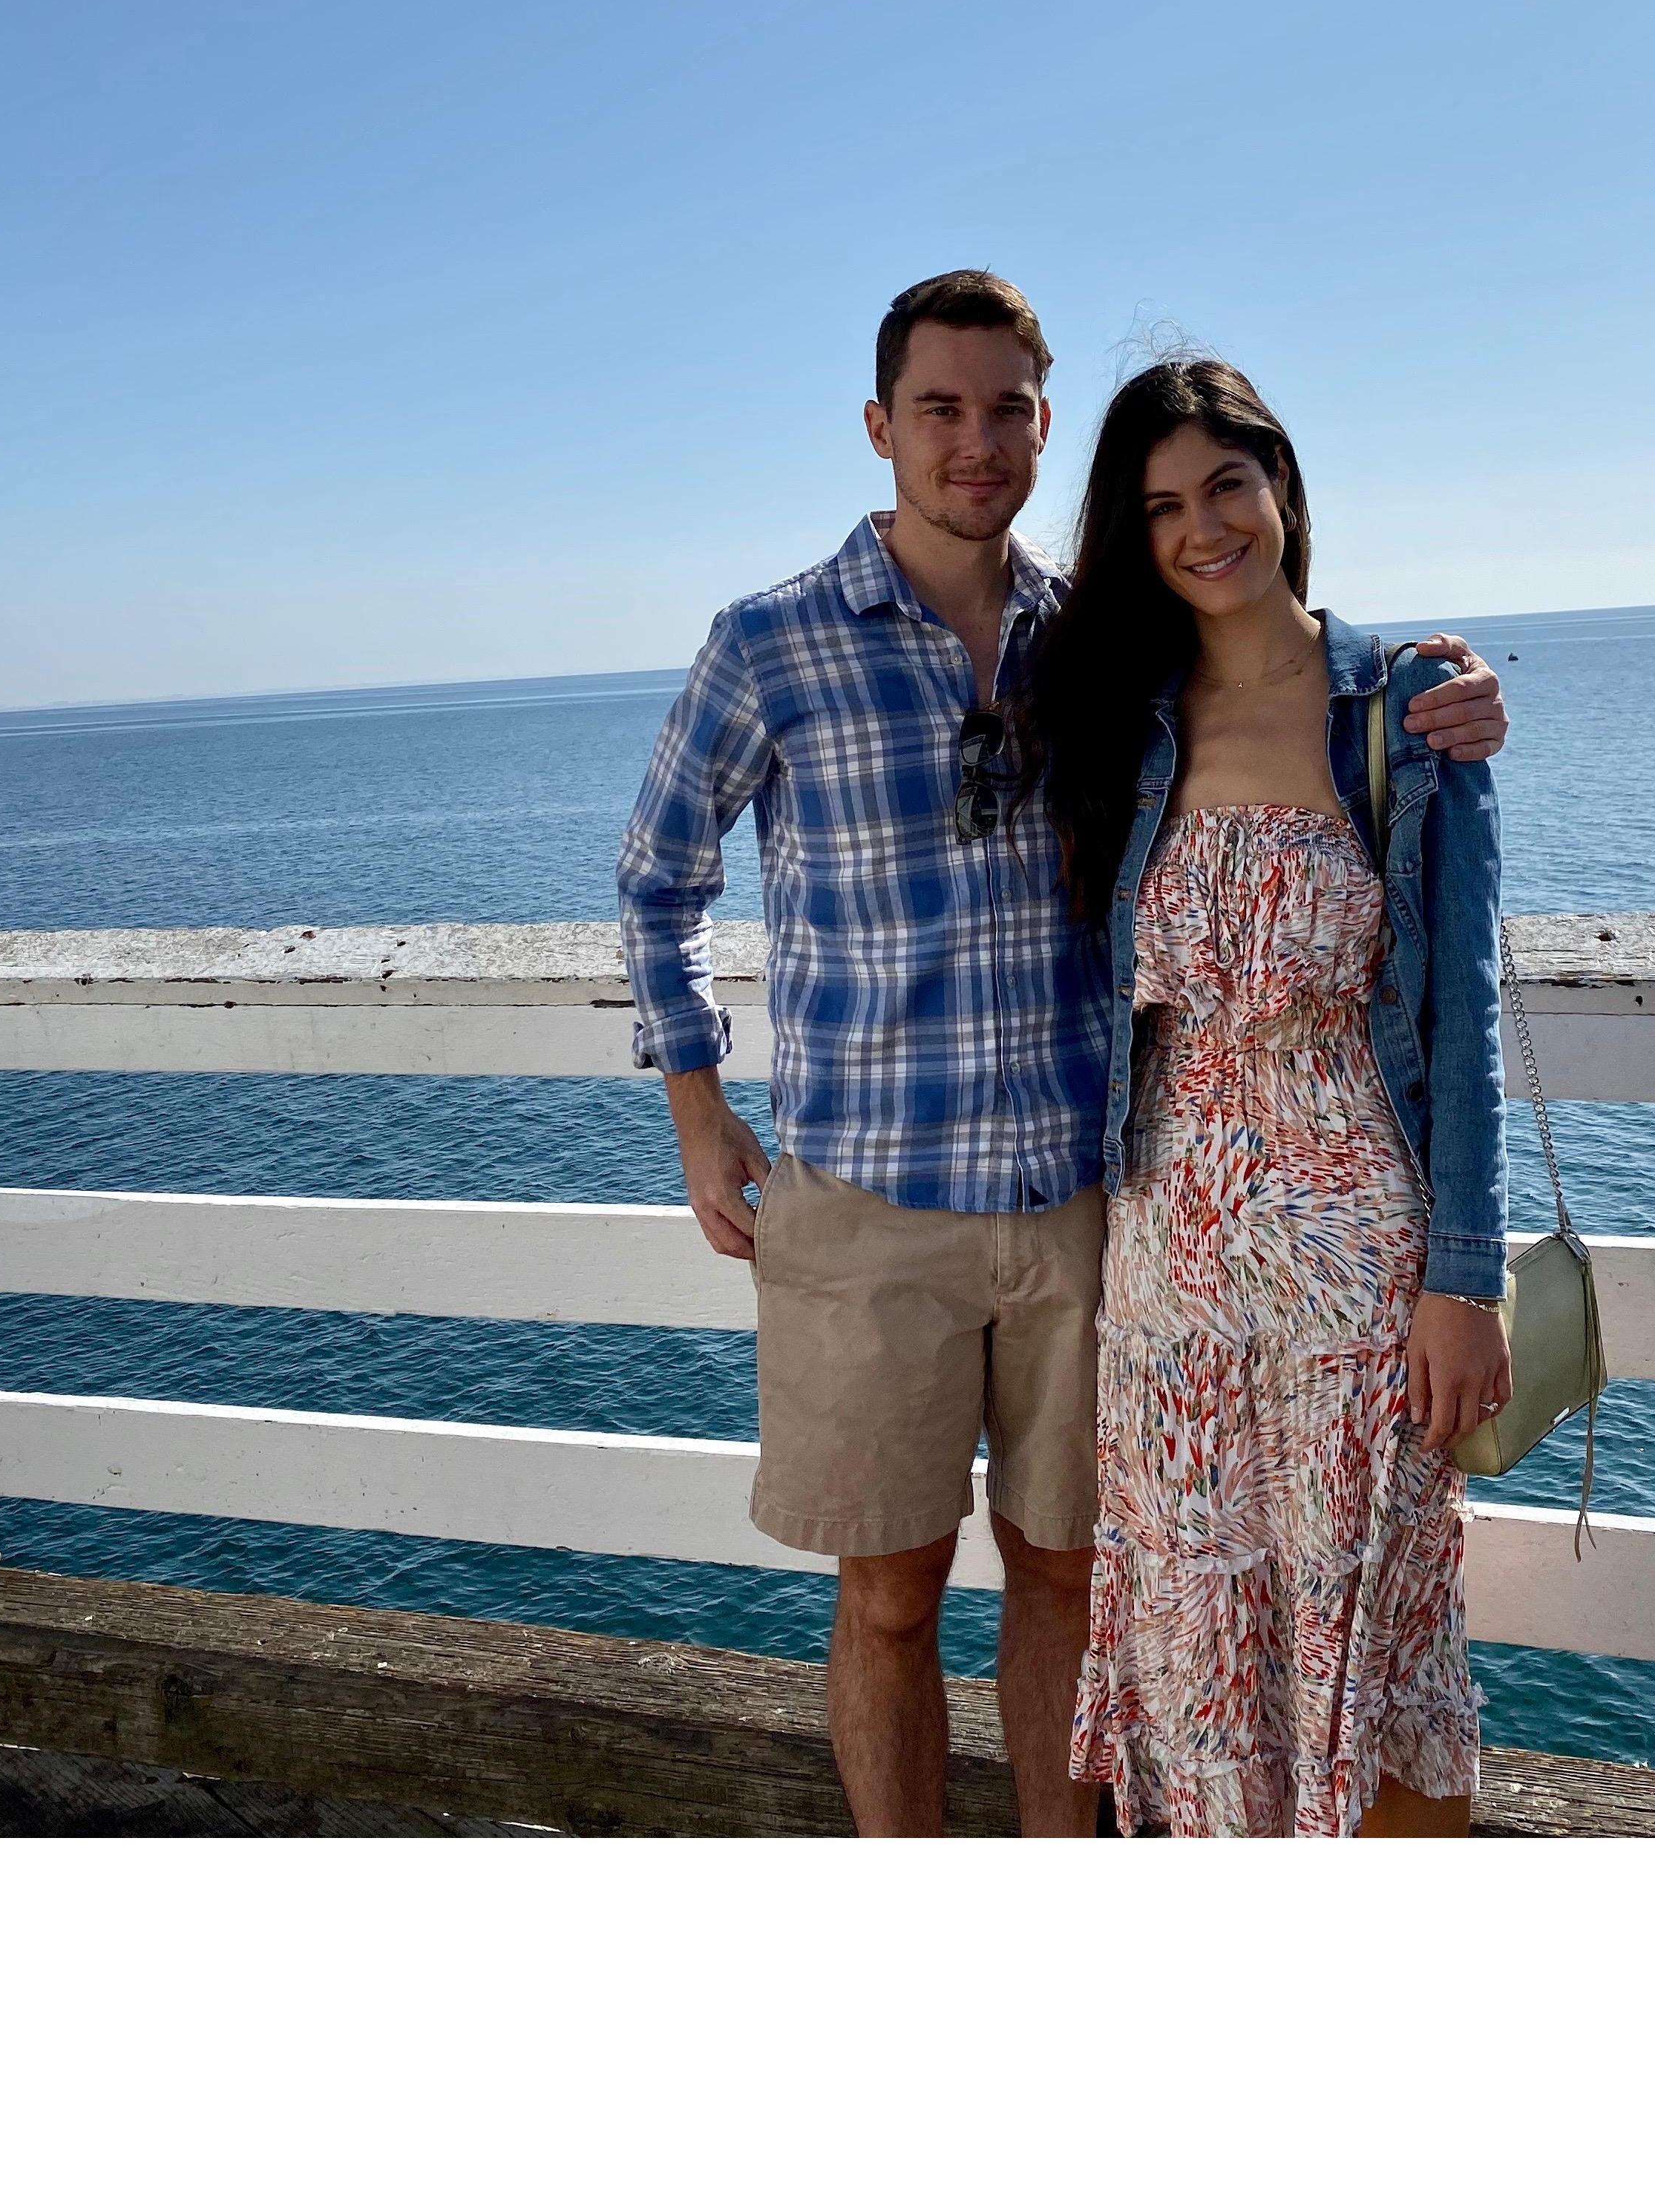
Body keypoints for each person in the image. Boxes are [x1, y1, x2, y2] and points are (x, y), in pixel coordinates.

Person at [616, 272, 1509, 1836]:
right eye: (942, 410)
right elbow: (655, 879)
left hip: (1091, 1212)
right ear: (881, 427)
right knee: (891, 1600)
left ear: (1041, 428)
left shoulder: (1089, 647)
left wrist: (1446, 687)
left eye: (1009, 409)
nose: (977, 442)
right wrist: (698, 1114)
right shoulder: (775, 643)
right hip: (878, 1203)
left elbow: (1422, 944)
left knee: (1084, 1585)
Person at [1025, 355, 1509, 1836]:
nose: (1202, 527)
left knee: (1377, 1632)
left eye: (1227, 485)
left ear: (1283, 486)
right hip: (1169, 1260)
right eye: (1161, 504)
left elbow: (1465, 1011)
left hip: (1356, 1257)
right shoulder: (1124, 717)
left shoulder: (1409, 710)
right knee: (1202, 1651)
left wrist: (1464, 1282)